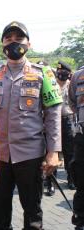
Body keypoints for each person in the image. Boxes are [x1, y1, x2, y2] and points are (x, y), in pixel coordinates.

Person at [0, 21, 61, 230]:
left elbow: (53, 114)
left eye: (18, 39)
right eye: (8, 39)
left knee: (32, 214)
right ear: (2, 44)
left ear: (28, 44)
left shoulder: (43, 74)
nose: (13, 43)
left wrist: (54, 152)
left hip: (30, 154)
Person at [68, 63, 84, 230]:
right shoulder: (78, 76)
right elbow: (73, 103)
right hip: (82, 137)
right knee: (81, 182)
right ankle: (80, 221)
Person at [55, 61, 75, 190]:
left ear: (68, 74)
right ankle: (51, 181)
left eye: (63, 73)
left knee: (70, 152)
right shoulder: (51, 85)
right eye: (59, 73)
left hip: (68, 120)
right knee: (53, 150)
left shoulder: (71, 86)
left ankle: (71, 179)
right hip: (53, 121)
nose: (60, 75)